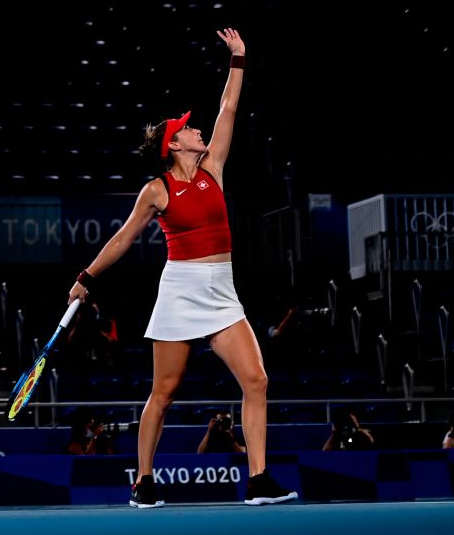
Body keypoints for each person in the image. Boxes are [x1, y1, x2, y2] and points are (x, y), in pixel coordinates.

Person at [66, 28, 297, 508]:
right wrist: (85, 278)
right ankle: (144, 481)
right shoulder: (156, 190)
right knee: (164, 394)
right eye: (188, 129)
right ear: (174, 145)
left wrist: (238, 59)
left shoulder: (213, 167)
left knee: (256, 380)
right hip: (180, 289)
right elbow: (124, 238)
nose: (197, 131)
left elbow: (227, 109)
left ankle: (257, 480)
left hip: (222, 289)